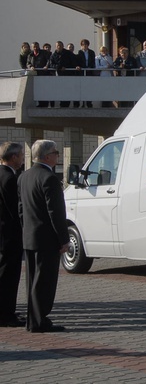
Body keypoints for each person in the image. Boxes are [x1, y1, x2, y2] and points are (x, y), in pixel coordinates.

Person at [18, 140, 70, 332]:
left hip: (30, 236)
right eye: (56, 152)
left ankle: (34, 320)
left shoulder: (24, 176)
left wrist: (26, 229)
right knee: (45, 282)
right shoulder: (49, 179)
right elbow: (56, 213)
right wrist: (63, 239)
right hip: (47, 240)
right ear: (47, 156)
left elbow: (21, 209)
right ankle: (39, 321)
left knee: (32, 281)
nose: (58, 156)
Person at [0, 142, 24, 327]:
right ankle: (6, 314)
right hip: (9, 234)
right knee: (9, 275)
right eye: (21, 155)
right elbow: (14, 210)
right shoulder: (9, 178)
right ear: (13, 157)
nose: (23, 158)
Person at [75, 39, 96, 107]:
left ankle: (89, 103)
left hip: (89, 72)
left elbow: (93, 61)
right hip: (82, 72)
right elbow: (78, 61)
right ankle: (82, 103)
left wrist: (90, 67)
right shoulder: (79, 52)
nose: (85, 46)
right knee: (82, 88)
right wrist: (79, 66)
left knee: (89, 88)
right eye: (83, 45)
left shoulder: (91, 52)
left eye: (86, 44)